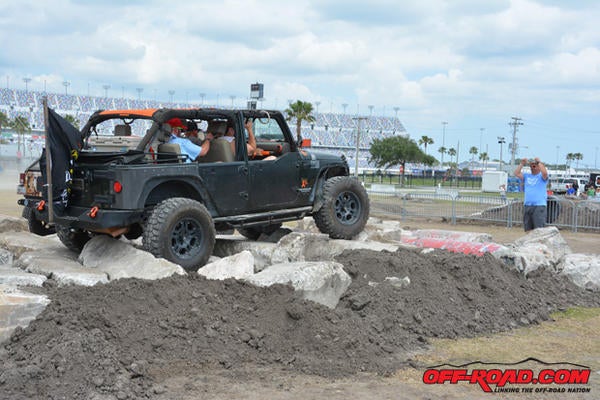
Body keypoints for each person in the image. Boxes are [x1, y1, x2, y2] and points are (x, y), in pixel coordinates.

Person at [514, 157, 549, 231]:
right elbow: (516, 173)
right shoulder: (527, 176)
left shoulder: (541, 177)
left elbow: (545, 173)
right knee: (528, 229)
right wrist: (522, 163)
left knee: (539, 229)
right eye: (531, 165)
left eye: (534, 165)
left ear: (539, 167)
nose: (532, 167)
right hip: (528, 205)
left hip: (539, 205)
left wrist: (539, 162)